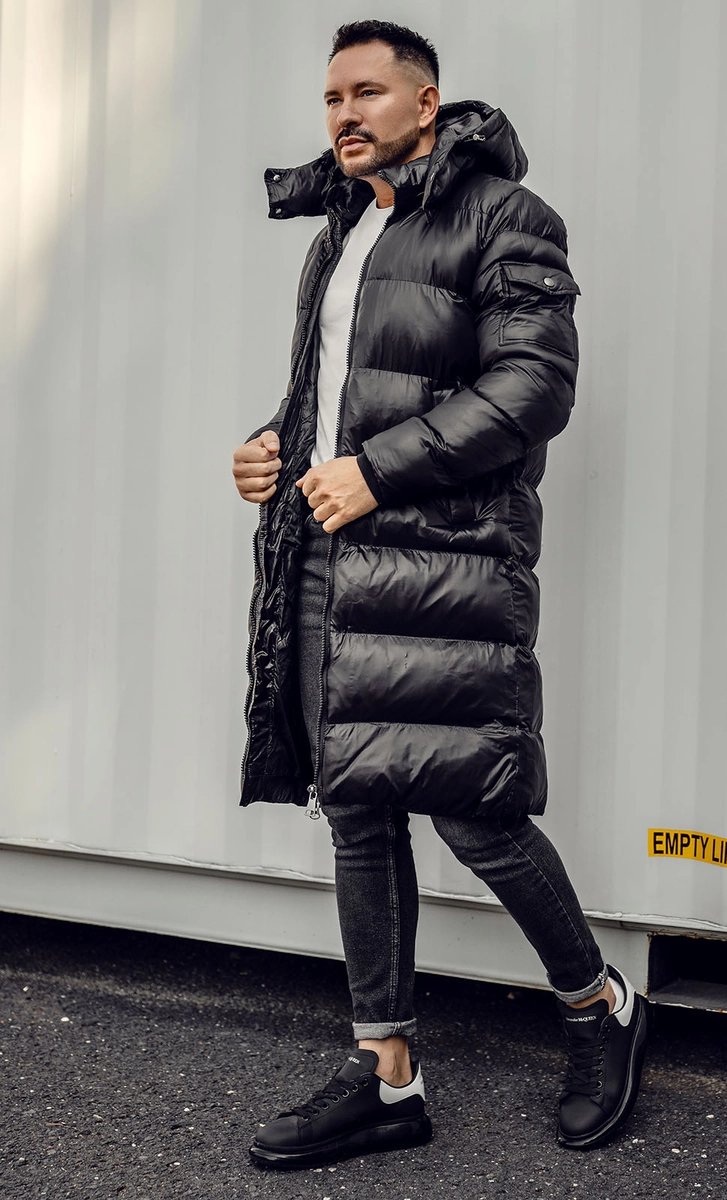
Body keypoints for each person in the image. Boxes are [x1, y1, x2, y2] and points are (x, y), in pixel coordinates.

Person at [231, 19, 648, 1170]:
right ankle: (388, 1072)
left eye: (367, 93)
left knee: (475, 812)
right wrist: (274, 447)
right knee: (357, 806)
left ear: (428, 103)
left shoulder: (507, 217)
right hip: (326, 553)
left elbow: (533, 387)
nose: (344, 115)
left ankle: (599, 1006)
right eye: (331, 98)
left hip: (444, 561)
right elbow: (335, 394)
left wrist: (375, 471)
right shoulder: (342, 228)